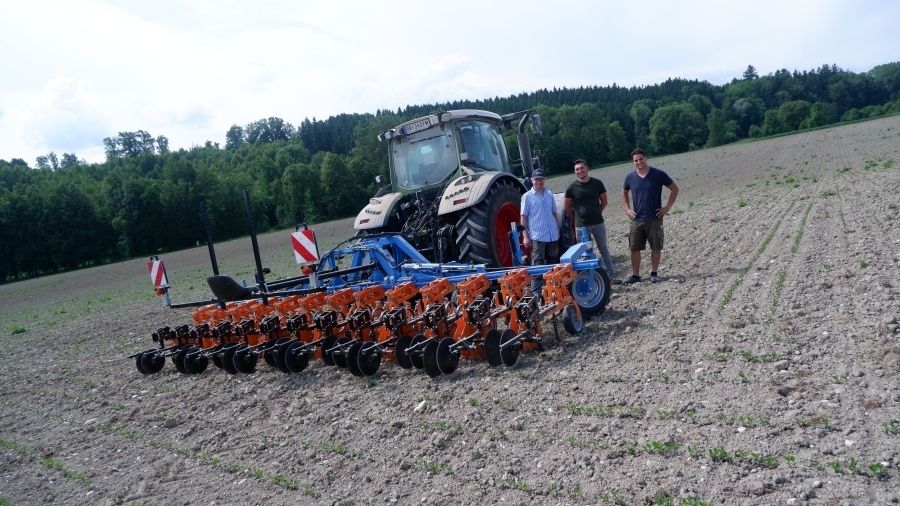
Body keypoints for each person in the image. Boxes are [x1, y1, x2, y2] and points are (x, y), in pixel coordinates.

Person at [621, 148, 679, 284]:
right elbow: (623, 192)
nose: (639, 162)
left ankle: (654, 273)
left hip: (655, 218)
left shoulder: (658, 174)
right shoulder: (630, 177)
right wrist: (627, 209)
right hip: (637, 219)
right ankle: (635, 275)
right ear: (633, 162)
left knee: (656, 247)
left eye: (641, 159)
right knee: (634, 248)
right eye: (636, 160)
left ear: (646, 158)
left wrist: (667, 207)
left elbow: (674, 189)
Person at [564, 159, 618, 283]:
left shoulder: (597, 183)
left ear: (586, 168)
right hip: (581, 226)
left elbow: (604, 201)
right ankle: (588, 278)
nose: (580, 171)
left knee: (603, 249)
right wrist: (574, 217)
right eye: (577, 169)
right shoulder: (571, 188)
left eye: (582, 168)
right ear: (574, 172)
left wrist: (598, 212)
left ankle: (611, 275)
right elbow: (567, 206)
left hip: (598, 223)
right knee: (583, 253)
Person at [520, 168, 559, 293]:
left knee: (554, 265)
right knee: (538, 267)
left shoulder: (549, 194)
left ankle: (554, 291)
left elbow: (554, 213)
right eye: (536, 179)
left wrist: (557, 229)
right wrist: (525, 236)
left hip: (552, 235)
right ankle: (536, 294)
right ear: (532, 181)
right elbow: (523, 218)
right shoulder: (527, 197)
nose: (539, 181)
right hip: (538, 237)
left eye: (541, 179)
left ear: (544, 180)